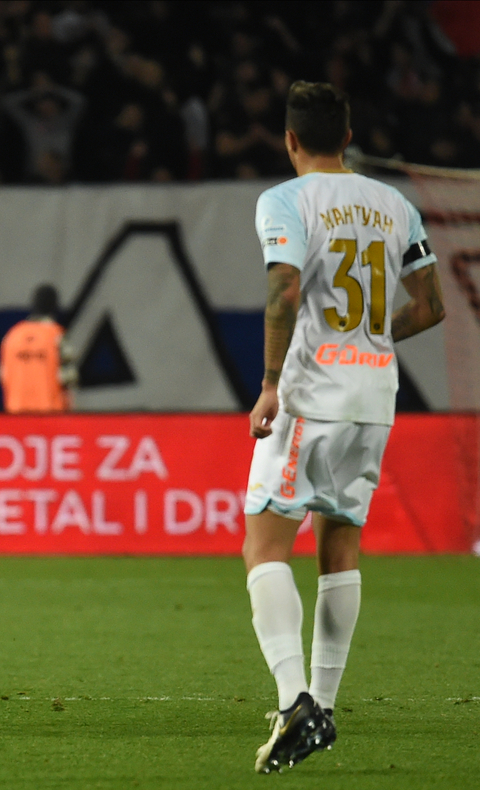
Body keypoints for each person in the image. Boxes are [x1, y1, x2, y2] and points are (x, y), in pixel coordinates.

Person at [242, 81, 444, 774]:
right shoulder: (397, 204)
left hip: (310, 395)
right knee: (341, 549)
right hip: (374, 394)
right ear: (348, 136)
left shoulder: (286, 200)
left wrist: (271, 383)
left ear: (292, 139)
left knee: (264, 545)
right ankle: (321, 712)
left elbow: (283, 291)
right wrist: (366, 340)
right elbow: (432, 306)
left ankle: (294, 697)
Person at [0, 284, 73, 413]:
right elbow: (69, 379)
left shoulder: (12, 335)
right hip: (51, 415)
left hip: (15, 414)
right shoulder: (56, 336)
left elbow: (2, 375)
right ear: (55, 306)